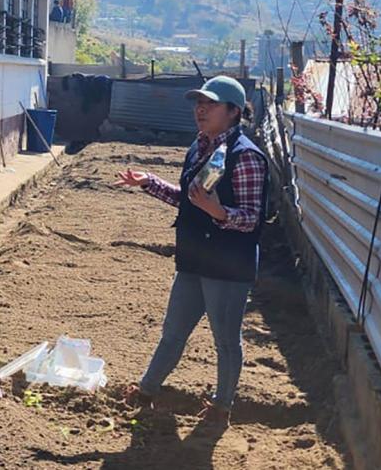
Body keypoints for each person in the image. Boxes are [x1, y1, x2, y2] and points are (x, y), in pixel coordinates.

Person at [115, 76, 268, 427]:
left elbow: (252, 219)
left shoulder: (246, 157)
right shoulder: (199, 146)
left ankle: (221, 408)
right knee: (173, 331)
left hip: (228, 265)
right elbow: (190, 201)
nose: (201, 109)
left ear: (232, 111)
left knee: (226, 341)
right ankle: (146, 391)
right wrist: (149, 183)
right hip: (194, 258)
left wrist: (220, 213)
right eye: (199, 102)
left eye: (210, 103)